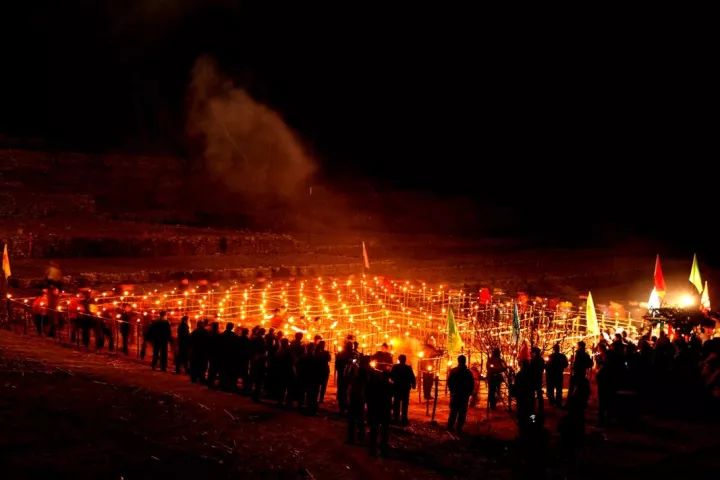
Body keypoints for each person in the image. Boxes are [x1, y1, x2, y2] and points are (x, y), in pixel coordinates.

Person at [366, 366, 393, 456]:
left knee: (374, 428)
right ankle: (383, 447)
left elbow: (370, 395)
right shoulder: (389, 385)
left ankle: (373, 448)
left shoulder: (375, 384)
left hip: (376, 408)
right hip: (385, 409)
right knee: (384, 429)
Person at [447, 355, 474, 433]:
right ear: (465, 361)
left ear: (458, 361)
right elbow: (471, 384)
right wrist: (469, 393)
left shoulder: (453, 371)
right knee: (462, 412)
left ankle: (450, 427)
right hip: (464, 395)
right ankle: (459, 428)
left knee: (453, 411)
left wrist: (452, 391)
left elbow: (449, 382)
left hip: (455, 394)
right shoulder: (468, 372)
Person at [390, 354, 416, 425]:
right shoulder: (408, 368)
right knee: (405, 404)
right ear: (405, 360)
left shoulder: (395, 367)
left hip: (397, 388)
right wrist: (413, 384)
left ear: (399, 359)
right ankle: (404, 419)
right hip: (405, 388)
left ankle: (396, 418)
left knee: (396, 404)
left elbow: (391, 376)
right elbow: (412, 377)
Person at [546, 343, 568, 407]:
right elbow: (566, 364)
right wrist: (561, 366)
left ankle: (552, 402)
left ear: (554, 349)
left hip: (552, 375)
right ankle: (558, 402)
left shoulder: (551, 356)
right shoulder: (562, 356)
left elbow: (548, 365)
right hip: (559, 374)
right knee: (559, 389)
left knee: (551, 388)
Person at [335, 342, 354, 413]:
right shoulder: (348, 354)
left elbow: (337, 365)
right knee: (344, 391)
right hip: (346, 376)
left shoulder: (342, 354)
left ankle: (343, 407)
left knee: (343, 391)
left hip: (344, 376)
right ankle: (344, 407)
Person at [529, 346, 545, 416]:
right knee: (539, 393)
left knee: (533, 394)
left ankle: (533, 408)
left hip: (533, 379)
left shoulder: (534, 360)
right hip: (538, 378)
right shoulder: (541, 360)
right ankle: (540, 408)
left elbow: (531, 369)